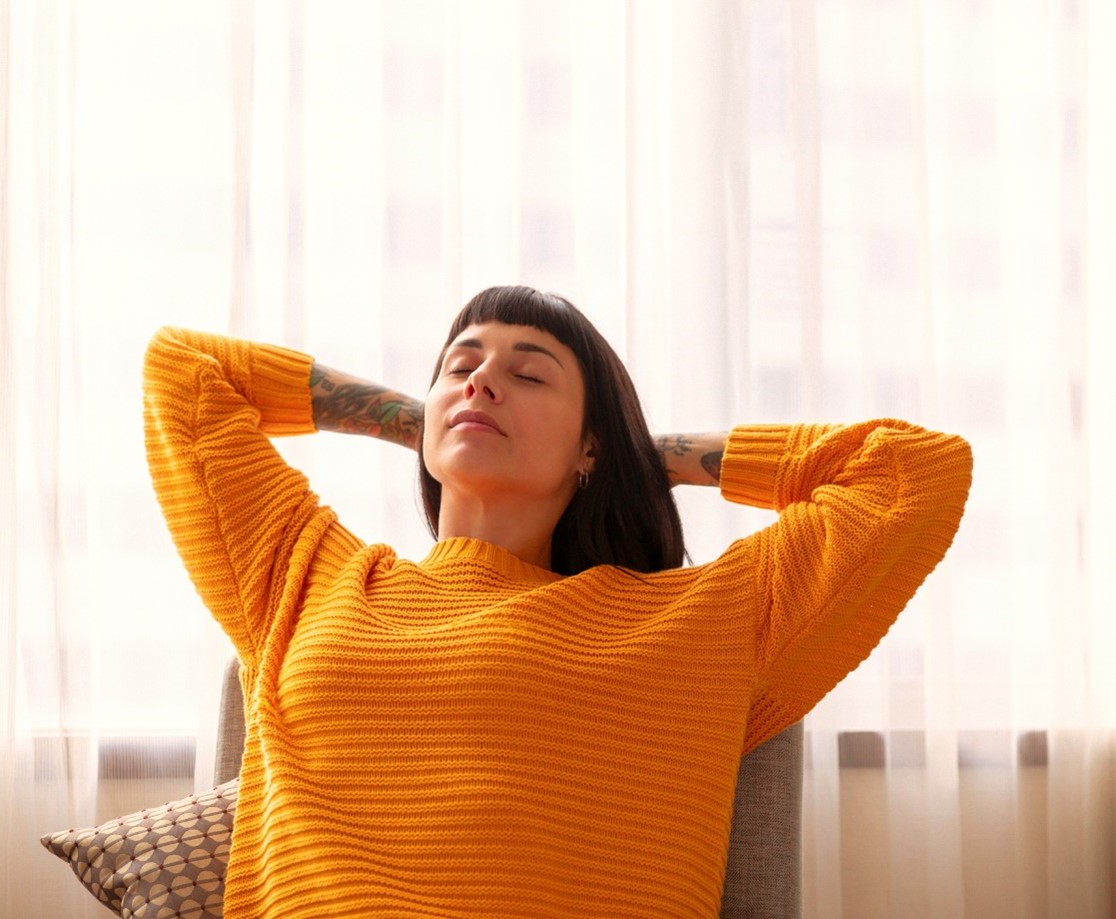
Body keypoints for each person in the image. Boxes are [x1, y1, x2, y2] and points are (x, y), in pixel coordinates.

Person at [142, 285, 972, 918]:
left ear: (590, 447)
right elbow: (183, 369)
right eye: (460, 368)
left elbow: (915, 473)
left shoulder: (700, 622)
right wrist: (417, 419)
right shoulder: (306, 574)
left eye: (527, 372)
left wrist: (642, 456)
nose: (481, 383)